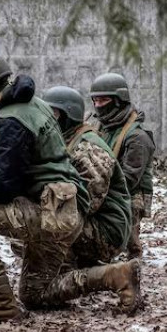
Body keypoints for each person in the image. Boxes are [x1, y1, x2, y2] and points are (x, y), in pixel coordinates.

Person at [0, 50, 141, 325]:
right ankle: (116, 275)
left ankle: (0, 304)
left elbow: (3, 186)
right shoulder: (30, 105)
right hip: (59, 213)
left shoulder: (10, 119)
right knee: (35, 294)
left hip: (53, 213)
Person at [41, 86, 134, 269]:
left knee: (38, 224)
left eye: (53, 113)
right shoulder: (67, 139)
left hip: (106, 232)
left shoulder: (89, 149)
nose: (47, 119)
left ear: (68, 115)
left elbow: (86, 203)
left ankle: (69, 268)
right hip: (94, 222)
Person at [89, 73, 155, 259]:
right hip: (105, 185)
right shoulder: (101, 126)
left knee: (128, 236)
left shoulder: (137, 137)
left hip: (132, 193)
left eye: (103, 100)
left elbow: (130, 179)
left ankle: (133, 260)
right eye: (95, 100)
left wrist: (102, 194)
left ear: (119, 100)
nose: (98, 105)